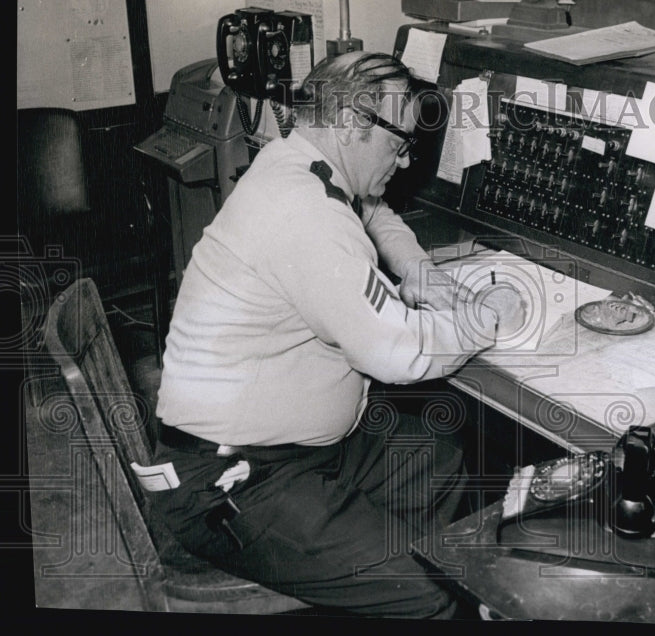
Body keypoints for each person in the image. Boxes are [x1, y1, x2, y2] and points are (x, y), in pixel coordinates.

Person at [145, 51, 526, 619]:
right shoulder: (304, 215)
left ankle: (390, 577)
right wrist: (489, 315)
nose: (403, 162)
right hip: (229, 483)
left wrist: (415, 266)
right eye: (400, 144)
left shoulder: (295, 160)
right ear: (353, 124)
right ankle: (412, 592)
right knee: (426, 597)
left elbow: (370, 210)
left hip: (296, 450)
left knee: (436, 461)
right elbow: (401, 351)